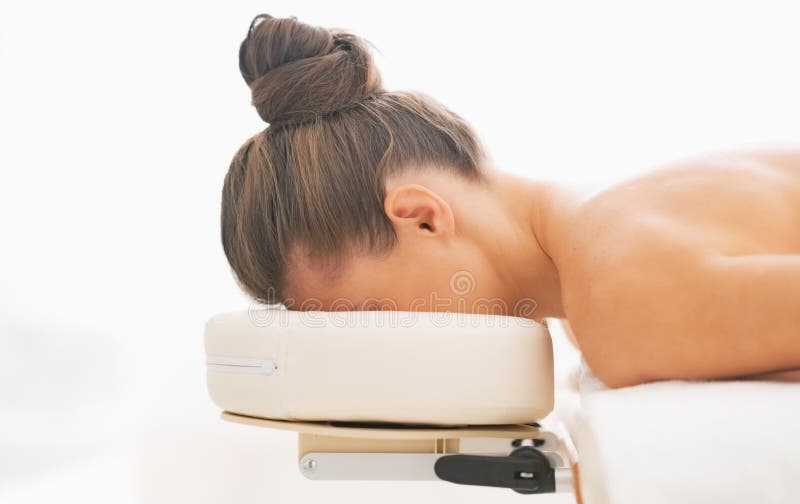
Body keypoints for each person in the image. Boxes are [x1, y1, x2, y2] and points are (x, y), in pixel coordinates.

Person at [221, 13, 800, 389]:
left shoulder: (622, 302)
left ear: (422, 218)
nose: (387, 355)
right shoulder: (612, 240)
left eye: (373, 319)